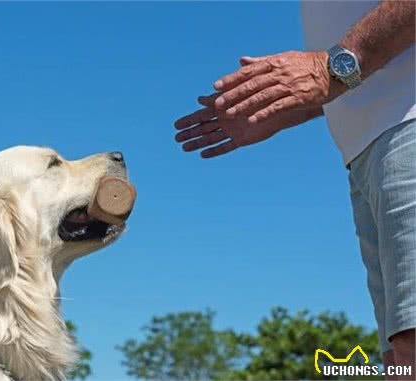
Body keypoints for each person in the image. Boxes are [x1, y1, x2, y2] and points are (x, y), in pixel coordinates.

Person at [174, 1, 415, 379]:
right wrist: (288, 103)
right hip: (368, 153)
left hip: (408, 130)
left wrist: (330, 68)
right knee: (400, 359)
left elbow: (338, 67)